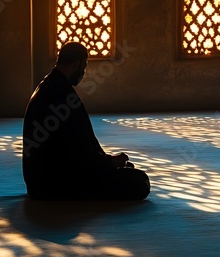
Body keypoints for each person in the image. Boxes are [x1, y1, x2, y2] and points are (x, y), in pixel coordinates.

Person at [22, 42, 150, 201]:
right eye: (84, 66)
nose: (84, 71)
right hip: (55, 183)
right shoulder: (62, 97)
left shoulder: (48, 85)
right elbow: (79, 153)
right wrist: (109, 163)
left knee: (126, 172)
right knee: (140, 183)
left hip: (38, 181)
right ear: (76, 64)